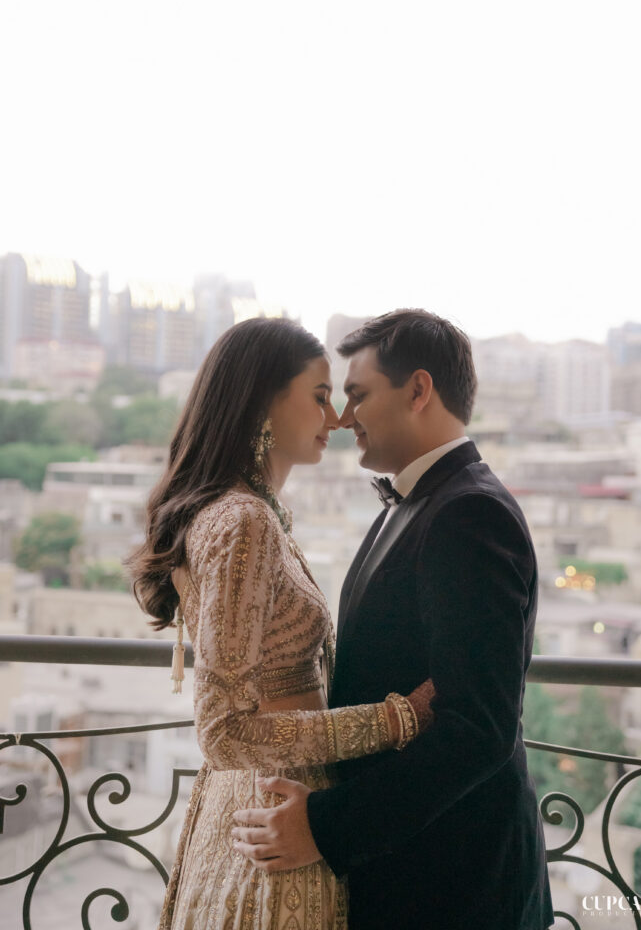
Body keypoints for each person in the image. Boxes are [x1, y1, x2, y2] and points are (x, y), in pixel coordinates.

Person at [232, 309, 555, 930]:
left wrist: (325, 827)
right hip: (409, 865)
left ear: (418, 391)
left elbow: (477, 727)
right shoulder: (414, 506)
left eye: (357, 395)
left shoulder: (469, 516)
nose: (344, 417)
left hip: (454, 883)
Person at [128, 317, 434, 930]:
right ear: (264, 401)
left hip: (261, 804)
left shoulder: (253, 511)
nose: (339, 418)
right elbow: (223, 732)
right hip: (274, 814)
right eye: (320, 397)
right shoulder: (243, 521)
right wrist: (392, 720)